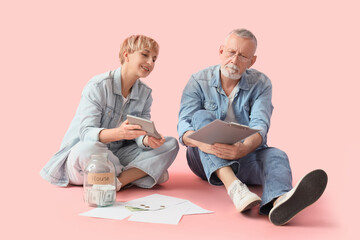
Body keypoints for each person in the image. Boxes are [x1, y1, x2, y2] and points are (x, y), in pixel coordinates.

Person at [177, 29, 327, 226]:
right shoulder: (198, 80)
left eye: (243, 56)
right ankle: (234, 188)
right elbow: (184, 123)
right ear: (221, 51)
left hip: (243, 154)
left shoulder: (262, 83)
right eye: (231, 52)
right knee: (200, 116)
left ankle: (279, 201)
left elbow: (260, 126)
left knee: (277, 155)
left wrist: (243, 148)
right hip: (203, 158)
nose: (234, 60)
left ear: (252, 61)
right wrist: (200, 143)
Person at [41, 35, 179, 191]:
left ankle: (117, 182)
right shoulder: (98, 86)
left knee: (170, 144)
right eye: (145, 55)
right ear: (126, 54)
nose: (150, 63)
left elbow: (140, 130)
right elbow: (86, 132)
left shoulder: (145, 94)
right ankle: (139, 173)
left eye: (154, 59)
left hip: (118, 154)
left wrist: (147, 139)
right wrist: (119, 133)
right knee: (86, 150)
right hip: (90, 154)